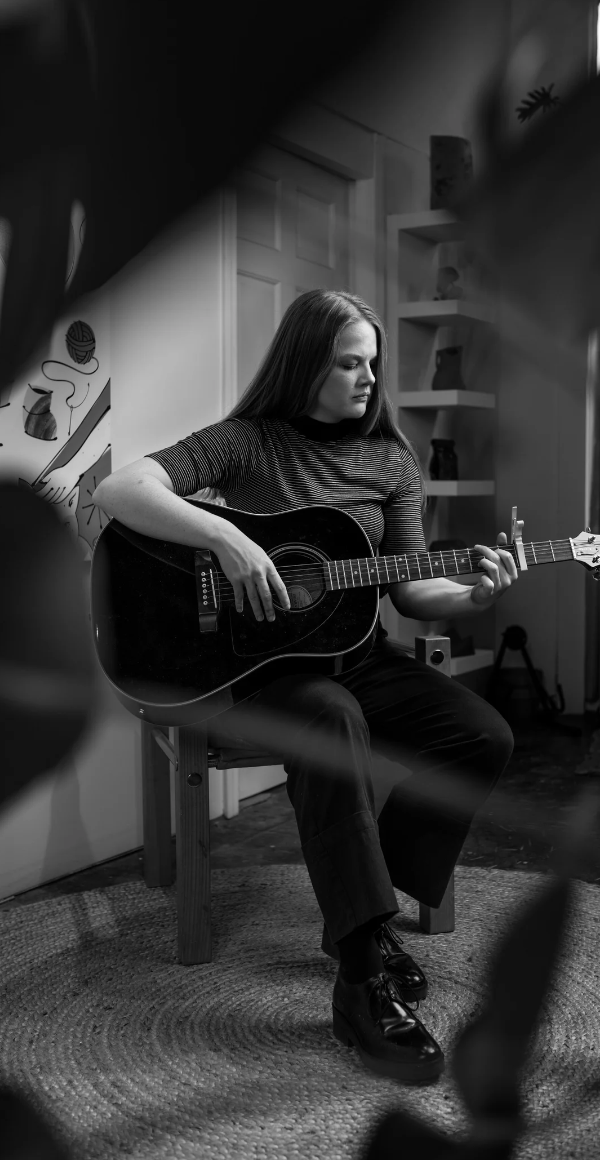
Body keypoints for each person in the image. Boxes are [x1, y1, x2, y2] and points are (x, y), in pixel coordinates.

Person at [92, 288, 517, 1085]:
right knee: (330, 719)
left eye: (372, 363)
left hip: (357, 653)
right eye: (350, 363)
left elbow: (411, 590)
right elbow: (119, 490)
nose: (369, 379)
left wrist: (475, 596)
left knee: (481, 735)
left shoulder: (392, 462)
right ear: (305, 364)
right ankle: (360, 983)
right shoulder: (248, 442)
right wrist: (225, 538)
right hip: (261, 668)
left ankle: (369, 911)